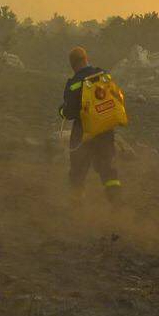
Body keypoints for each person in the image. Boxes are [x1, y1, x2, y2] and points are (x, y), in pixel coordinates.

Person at [59, 46, 121, 203]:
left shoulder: (74, 83)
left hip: (84, 132)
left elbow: (70, 112)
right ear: (86, 58)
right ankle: (117, 204)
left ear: (72, 64)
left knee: (78, 170)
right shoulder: (103, 74)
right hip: (106, 130)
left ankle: (76, 205)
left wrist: (61, 111)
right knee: (107, 169)